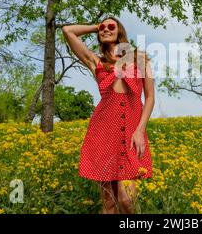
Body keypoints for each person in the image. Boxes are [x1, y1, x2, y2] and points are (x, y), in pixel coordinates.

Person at [62, 16, 155, 214]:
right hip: (103, 134)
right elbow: (68, 31)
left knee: (127, 199)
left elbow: (150, 98)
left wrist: (140, 130)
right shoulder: (96, 62)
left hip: (131, 133)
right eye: (102, 28)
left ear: (119, 30)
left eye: (110, 26)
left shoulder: (139, 58)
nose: (105, 29)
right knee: (109, 202)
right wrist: (95, 27)